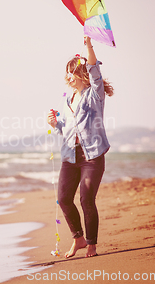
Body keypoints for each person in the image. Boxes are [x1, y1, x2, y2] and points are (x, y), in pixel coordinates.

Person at [47, 36, 114, 258]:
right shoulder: (67, 100)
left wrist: (88, 46)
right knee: (64, 199)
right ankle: (79, 239)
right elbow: (66, 129)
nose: (68, 76)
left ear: (82, 75)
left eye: (72, 71)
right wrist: (56, 124)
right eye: (67, 72)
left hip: (92, 156)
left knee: (86, 198)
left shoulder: (94, 95)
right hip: (70, 156)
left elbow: (95, 69)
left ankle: (92, 244)